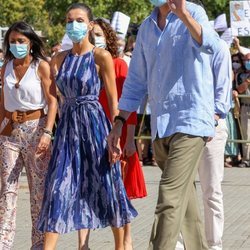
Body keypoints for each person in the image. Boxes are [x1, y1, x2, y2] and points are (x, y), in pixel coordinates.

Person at [107, 0, 220, 249]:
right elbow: (136, 80)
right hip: (161, 125)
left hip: (191, 122)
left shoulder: (194, 12)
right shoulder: (147, 27)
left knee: (169, 196)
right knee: (185, 205)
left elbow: (214, 48)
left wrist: (184, 16)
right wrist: (119, 122)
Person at [37, 3, 137, 250]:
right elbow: (52, 101)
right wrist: (48, 133)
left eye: (80, 20)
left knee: (106, 186)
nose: (74, 25)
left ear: (90, 25)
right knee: (58, 188)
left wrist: (116, 137)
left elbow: (114, 103)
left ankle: (120, 246)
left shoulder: (100, 56)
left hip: (95, 127)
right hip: (68, 130)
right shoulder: (58, 58)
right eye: (70, 20)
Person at [0, 21, 57, 249]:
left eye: (21, 41)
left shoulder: (40, 66)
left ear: (30, 43)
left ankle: (39, 244)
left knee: (38, 193)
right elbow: (3, 102)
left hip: (36, 129)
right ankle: (3, 242)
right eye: (13, 41)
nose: (17, 45)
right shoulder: (5, 68)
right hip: (10, 132)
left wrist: (47, 132)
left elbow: (52, 101)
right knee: (6, 189)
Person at [93, 18, 147, 250]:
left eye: (98, 34)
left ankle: (126, 241)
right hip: (95, 132)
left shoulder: (118, 64)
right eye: (91, 34)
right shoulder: (85, 64)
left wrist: (131, 138)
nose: (94, 38)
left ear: (108, 36)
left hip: (119, 132)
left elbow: (129, 104)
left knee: (120, 191)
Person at [181, 38, 232, 250]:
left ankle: (214, 245)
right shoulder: (176, 45)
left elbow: (223, 91)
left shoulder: (218, 46)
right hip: (183, 126)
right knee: (180, 190)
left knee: (211, 190)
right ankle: (179, 243)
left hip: (212, 127)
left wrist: (212, 120)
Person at [235, 53, 250, 168]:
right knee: (246, 134)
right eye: (246, 60)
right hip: (246, 107)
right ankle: (246, 159)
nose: (247, 62)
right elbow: (239, 89)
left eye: (249, 59)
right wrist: (248, 80)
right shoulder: (240, 75)